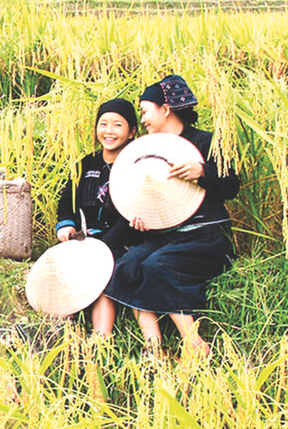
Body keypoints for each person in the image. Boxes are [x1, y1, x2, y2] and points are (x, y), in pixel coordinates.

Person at [105, 74, 239, 362]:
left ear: (165, 108)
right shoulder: (145, 150)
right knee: (126, 265)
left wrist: (203, 173)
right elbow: (141, 202)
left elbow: (232, 187)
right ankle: (153, 348)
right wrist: (135, 223)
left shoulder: (207, 141)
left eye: (144, 111)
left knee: (158, 265)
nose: (142, 120)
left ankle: (194, 343)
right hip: (166, 236)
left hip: (206, 236)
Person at [55, 98, 139, 338]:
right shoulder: (85, 164)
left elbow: (130, 214)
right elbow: (67, 200)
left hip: (119, 241)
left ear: (132, 131)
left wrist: (103, 246)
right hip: (84, 238)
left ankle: (101, 342)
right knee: (62, 270)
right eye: (103, 124)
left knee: (102, 279)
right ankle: (62, 334)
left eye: (117, 125)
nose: (108, 131)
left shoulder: (137, 167)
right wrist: (66, 225)